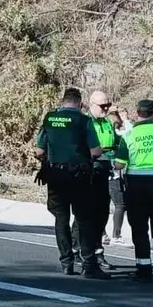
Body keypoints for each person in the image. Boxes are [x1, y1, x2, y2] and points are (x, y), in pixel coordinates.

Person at [34, 87, 110, 279]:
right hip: (79, 176)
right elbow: (95, 151)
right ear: (79, 103)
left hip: (55, 175)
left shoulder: (50, 118)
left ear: (64, 100)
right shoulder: (83, 120)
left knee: (61, 219)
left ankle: (66, 263)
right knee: (84, 219)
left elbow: (39, 150)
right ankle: (88, 264)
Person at [112, 99, 153, 284]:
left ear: (137, 113)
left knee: (139, 228)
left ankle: (144, 269)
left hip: (136, 186)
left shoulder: (129, 135)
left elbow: (119, 164)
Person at [71, 90, 118, 270]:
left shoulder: (107, 122)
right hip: (88, 170)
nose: (106, 109)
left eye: (108, 105)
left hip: (105, 170)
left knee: (102, 213)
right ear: (91, 105)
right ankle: (76, 250)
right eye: (102, 106)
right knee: (84, 214)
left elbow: (114, 143)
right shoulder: (84, 122)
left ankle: (97, 252)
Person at [105, 108, 130, 246]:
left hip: (104, 174)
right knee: (120, 204)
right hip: (112, 175)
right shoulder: (116, 138)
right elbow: (129, 133)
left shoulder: (104, 134)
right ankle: (116, 235)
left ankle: (103, 234)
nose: (116, 126)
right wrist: (125, 120)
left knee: (103, 205)